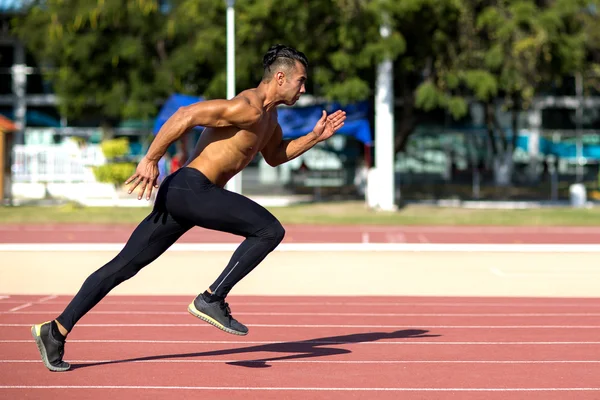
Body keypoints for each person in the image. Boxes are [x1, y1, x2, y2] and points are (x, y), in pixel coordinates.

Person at [30, 44, 346, 372]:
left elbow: (275, 155)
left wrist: (314, 137)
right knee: (269, 230)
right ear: (280, 78)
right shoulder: (247, 106)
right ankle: (211, 298)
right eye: (301, 81)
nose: (304, 88)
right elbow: (185, 115)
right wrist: (150, 159)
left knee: (124, 265)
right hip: (191, 187)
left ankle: (55, 331)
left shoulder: (269, 119)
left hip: (185, 195)